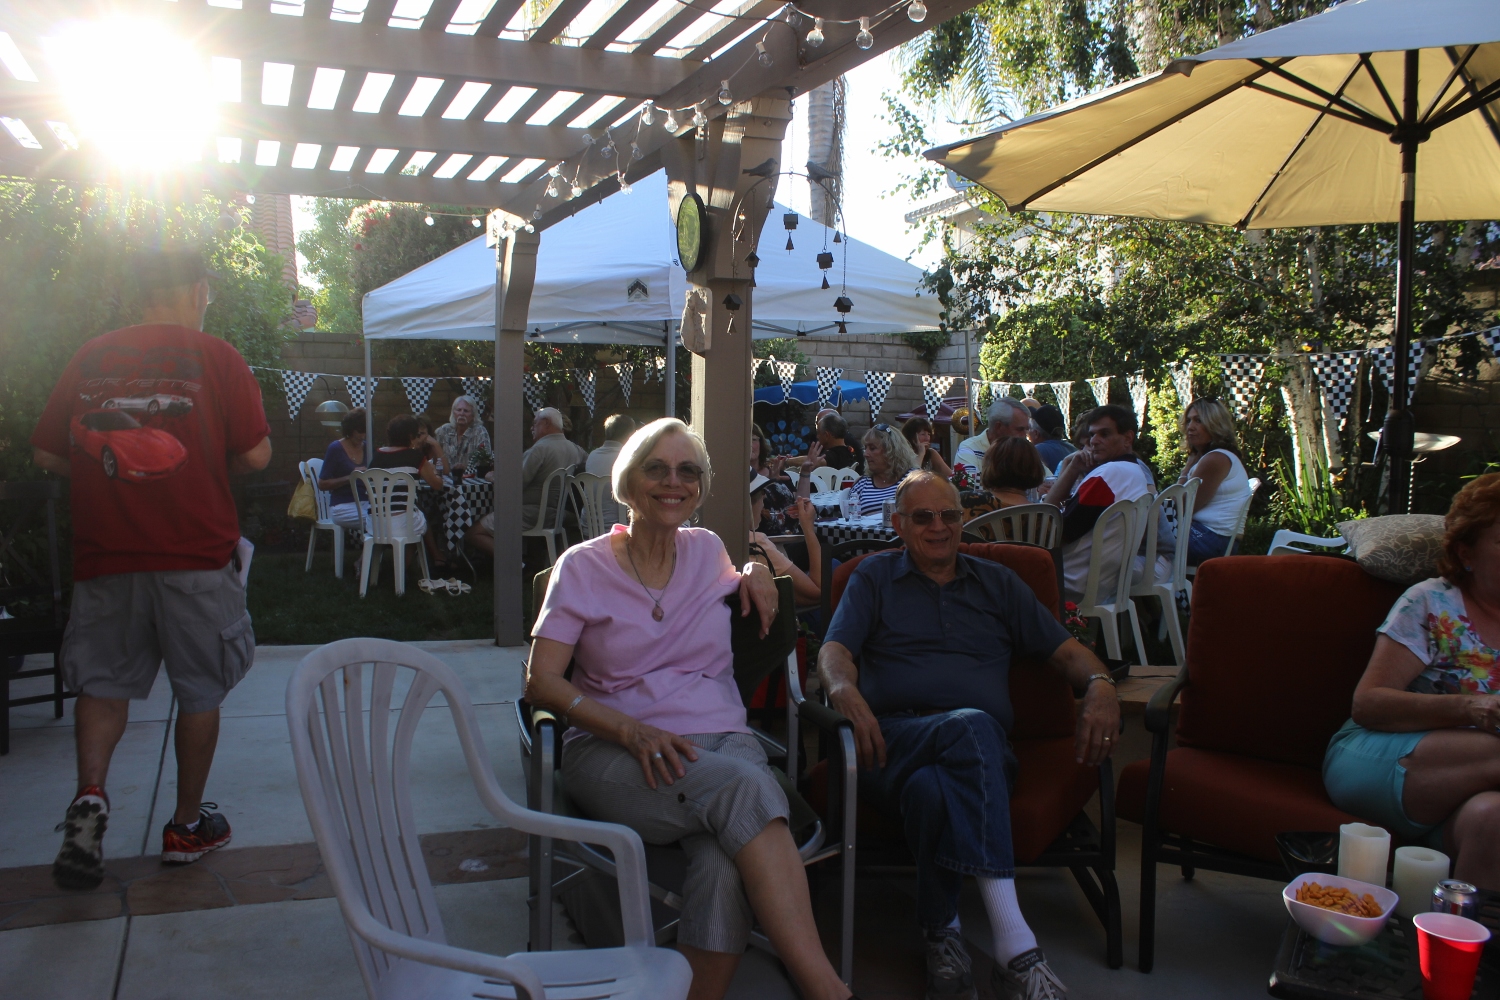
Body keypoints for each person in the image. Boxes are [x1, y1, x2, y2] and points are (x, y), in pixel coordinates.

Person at [527, 418, 854, 1000]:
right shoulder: (582, 565)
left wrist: (756, 567)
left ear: (700, 488)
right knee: (750, 793)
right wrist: (629, 730)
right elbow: (542, 684)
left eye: (688, 472)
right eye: (657, 468)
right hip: (617, 749)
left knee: (722, 859)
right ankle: (827, 989)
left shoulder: (707, 552)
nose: (673, 482)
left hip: (723, 741)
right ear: (627, 483)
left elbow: (766, 581)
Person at [820, 471, 1120, 1000]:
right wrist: (842, 688)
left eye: (950, 515)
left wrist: (1100, 685)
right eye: (923, 517)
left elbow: (1067, 652)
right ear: (898, 525)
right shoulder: (874, 578)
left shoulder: (998, 583)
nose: (939, 526)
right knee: (974, 726)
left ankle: (944, 933)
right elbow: (834, 650)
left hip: (978, 752)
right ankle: (1015, 945)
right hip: (893, 741)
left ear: (965, 520)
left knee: (936, 789)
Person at [33, 248, 272, 889]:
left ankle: (90, 795)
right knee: (199, 690)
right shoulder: (218, 357)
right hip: (195, 557)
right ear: (197, 290)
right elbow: (254, 455)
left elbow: (48, 452)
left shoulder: (92, 355)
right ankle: (186, 827)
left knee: (104, 687)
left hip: (106, 557)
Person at [1324, 473, 1500, 889]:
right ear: (1466, 553)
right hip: (1383, 756)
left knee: (1492, 820)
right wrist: (1470, 707)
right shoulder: (1431, 601)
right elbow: (1368, 704)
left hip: (1469, 790)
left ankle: (1461, 948)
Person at [1044, 405, 1154, 603]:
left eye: (1105, 434)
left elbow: (1053, 534)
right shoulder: (1134, 472)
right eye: (1092, 435)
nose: (1094, 441)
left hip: (1069, 580)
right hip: (1104, 583)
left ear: (1128, 438)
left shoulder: (1107, 476)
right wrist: (1075, 467)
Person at [1174, 398, 1251, 564]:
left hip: (1211, 540)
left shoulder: (1215, 459)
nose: (1190, 427)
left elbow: (1182, 507)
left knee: (1137, 536)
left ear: (1214, 425)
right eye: (1188, 421)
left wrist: (1186, 469)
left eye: (1199, 421)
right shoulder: (1215, 456)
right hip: (1210, 537)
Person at [370, 414, 446, 569]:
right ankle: (403, 568)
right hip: (402, 524)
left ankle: (399, 569)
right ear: (410, 436)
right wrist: (435, 471)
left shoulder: (377, 456)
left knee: (413, 513)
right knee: (417, 517)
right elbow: (437, 485)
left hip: (375, 524)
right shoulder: (415, 457)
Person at [749, 479, 822, 606]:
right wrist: (808, 528)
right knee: (834, 566)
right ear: (747, 504)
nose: (765, 497)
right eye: (761, 493)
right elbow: (819, 593)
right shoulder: (757, 544)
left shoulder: (713, 538)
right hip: (784, 619)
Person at [962, 437, 1049, 539]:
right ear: (1035, 467)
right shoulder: (1045, 517)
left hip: (977, 555)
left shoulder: (969, 502)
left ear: (990, 466)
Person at [521, 406, 587, 526]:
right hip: (559, 514)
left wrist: (494, 477)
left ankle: (510, 546)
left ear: (546, 423)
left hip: (533, 514)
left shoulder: (538, 450)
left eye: (535, 423)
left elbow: (513, 487)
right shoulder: (576, 450)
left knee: (476, 531)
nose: (532, 428)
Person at [846, 423, 917, 516]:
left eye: (872, 448)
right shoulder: (861, 485)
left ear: (891, 451)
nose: (865, 454)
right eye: (865, 448)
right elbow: (850, 522)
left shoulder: (913, 480)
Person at [954, 397, 1032, 476]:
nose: (1025, 435)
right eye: (1020, 429)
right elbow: (970, 485)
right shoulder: (969, 448)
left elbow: (1043, 477)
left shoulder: (1024, 449)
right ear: (998, 427)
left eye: (1027, 429)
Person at [320, 407, 369, 529]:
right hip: (343, 505)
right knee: (376, 520)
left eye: (365, 431)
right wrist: (350, 477)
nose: (363, 436)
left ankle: (375, 547)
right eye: (359, 431)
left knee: (388, 517)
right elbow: (322, 484)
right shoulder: (336, 449)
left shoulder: (368, 448)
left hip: (367, 502)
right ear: (350, 429)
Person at [587, 413, 636, 528]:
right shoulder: (629, 458)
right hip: (619, 527)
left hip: (588, 526)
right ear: (630, 435)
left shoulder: (592, 456)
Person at [752, 423, 799, 533]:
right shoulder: (739, 479)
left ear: (761, 444)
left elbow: (799, 503)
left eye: (753, 439)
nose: (749, 444)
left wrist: (805, 473)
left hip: (792, 534)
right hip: (767, 538)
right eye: (745, 440)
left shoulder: (779, 474)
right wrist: (769, 482)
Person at [434, 395, 491, 477]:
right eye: (459, 410)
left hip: (471, 481)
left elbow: (485, 463)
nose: (462, 413)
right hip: (445, 480)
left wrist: (465, 471)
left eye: (466, 411)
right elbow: (432, 457)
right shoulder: (444, 430)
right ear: (453, 412)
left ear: (473, 415)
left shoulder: (480, 432)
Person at [1029, 405, 1076, 473]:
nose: (1027, 432)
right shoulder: (1073, 449)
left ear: (1036, 433)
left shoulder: (1036, 451)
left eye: (1029, 429)